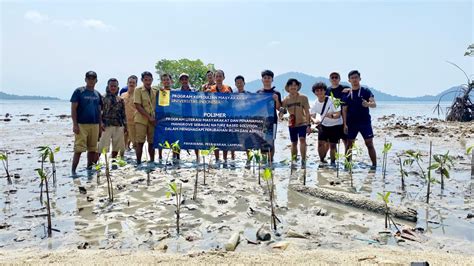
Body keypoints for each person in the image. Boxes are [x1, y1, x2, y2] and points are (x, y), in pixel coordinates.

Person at [342, 70, 377, 169]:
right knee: (349, 145)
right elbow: (344, 110)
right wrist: (344, 124)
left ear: (359, 79)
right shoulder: (347, 93)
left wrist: (368, 104)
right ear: (349, 80)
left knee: (369, 143)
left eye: (356, 77)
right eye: (352, 78)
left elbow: (374, 104)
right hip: (351, 123)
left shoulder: (366, 91)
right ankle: (347, 166)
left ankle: (374, 166)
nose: (354, 80)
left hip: (364, 122)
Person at [70, 71, 103, 175]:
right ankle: (73, 172)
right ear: (85, 79)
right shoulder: (79, 91)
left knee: (93, 149)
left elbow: (99, 111)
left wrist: (100, 125)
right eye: (89, 78)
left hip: (95, 125)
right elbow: (73, 109)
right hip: (81, 125)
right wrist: (75, 124)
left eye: (93, 78)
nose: (91, 80)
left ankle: (89, 170)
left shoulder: (98, 94)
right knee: (78, 149)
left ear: (96, 80)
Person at [279, 78, 311, 169]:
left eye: (295, 85)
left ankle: (303, 160)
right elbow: (282, 113)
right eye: (291, 85)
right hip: (292, 124)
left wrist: (309, 125)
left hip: (302, 123)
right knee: (293, 143)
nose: (293, 87)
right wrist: (281, 114)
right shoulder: (286, 99)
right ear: (288, 88)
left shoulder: (303, 98)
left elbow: (307, 112)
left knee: (302, 140)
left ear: (298, 87)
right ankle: (294, 160)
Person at [310, 82, 343, 166]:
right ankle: (322, 160)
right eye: (317, 91)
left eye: (321, 90)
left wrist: (331, 115)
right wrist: (314, 120)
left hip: (335, 125)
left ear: (325, 91)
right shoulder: (315, 103)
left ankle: (333, 163)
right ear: (314, 92)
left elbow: (338, 114)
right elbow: (312, 115)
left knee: (332, 145)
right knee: (320, 143)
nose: (319, 92)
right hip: (323, 125)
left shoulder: (333, 100)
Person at [205, 70, 232, 166]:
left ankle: (225, 159)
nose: (219, 78)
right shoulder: (210, 89)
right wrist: (206, 95)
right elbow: (205, 104)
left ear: (223, 78)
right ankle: (217, 159)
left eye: (220, 76)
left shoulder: (228, 89)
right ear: (214, 78)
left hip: (225, 118)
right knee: (215, 139)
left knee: (224, 139)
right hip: (214, 118)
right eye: (217, 76)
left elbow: (232, 103)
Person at [97, 78, 127, 162]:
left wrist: (125, 126)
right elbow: (98, 112)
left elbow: (123, 114)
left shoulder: (120, 99)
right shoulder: (102, 98)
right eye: (111, 86)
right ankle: (96, 162)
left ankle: (113, 161)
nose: (113, 87)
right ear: (108, 86)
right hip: (106, 125)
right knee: (101, 147)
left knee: (117, 146)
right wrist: (100, 123)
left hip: (118, 125)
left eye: (115, 86)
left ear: (117, 87)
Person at [257, 70, 282, 165]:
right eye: (265, 78)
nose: (267, 79)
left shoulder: (276, 93)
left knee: (271, 141)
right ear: (262, 79)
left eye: (269, 78)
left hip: (273, 120)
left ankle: (271, 160)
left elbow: (279, 108)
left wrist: (276, 100)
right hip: (261, 121)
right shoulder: (258, 93)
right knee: (261, 140)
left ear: (272, 79)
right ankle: (263, 160)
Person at [134, 71, 158, 165]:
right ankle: (138, 162)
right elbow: (137, 105)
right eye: (146, 80)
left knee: (152, 142)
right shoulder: (138, 90)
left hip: (153, 120)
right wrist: (149, 117)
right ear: (142, 80)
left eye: (149, 80)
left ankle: (152, 161)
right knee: (140, 142)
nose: (148, 82)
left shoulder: (155, 90)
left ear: (152, 80)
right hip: (141, 120)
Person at [326, 72, 350, 154]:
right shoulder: (327, 90)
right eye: (332, 77)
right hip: (333, 119)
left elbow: (355, 90)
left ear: (339, 79)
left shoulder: (345, 87)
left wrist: (349, 90)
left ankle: (348, 161)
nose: (334, 79)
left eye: (336, 77)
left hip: (344, 118)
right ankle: (333, 162)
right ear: (330, 79)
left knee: (346, 140)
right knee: (332, 143)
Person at [234, 75, 250, 167]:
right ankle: (232, 158)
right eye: (237, 82)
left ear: (244, 83)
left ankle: (248, 158)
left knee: (246, 141)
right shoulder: (233, 96)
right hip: (236, 121)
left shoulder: (249, 95)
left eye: (241, 82)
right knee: (234, 140)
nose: (239, 84)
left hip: (246, 120)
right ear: (235, 84)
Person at [121, 75, 138, 150]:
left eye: (133, 83)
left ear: (136, 84)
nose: (131, 84)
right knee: (122, 143)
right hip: (123, 122)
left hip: (134, 122)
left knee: (135, 143)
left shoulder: (138, 95)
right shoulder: (122, 95)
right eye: (130, 82)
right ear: (127, 83)